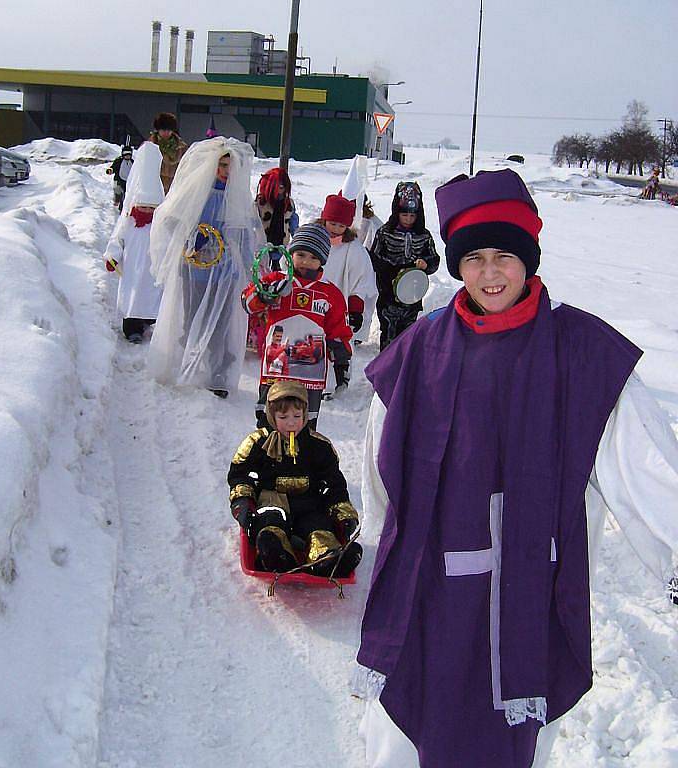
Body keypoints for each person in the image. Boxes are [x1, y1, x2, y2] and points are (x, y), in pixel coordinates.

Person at [352, 168, 678, 768]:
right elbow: (381, 464)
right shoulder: (422, 352)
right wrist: (385, 546)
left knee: (517, 739)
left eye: (505, 254)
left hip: (532, 594)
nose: (490, 273)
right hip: (431, 594)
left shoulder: (580, 352)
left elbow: (647, 467)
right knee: (401, 741)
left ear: (530, 257)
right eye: (473, 258)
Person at [148, 136, 264, 397]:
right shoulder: (199, 193)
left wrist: (250, 271)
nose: (227, 171)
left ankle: (218, 371)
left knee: (221, 322)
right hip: (196, 270)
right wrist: (193, 236)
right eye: (222, 165)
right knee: (191, 318)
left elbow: (246, 238)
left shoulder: (238, 199)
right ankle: (188, 361)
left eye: (230, 165)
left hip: (225, 272)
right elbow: (171, 220)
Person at [227, 380, 362, 577]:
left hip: (308, 502)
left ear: (305, 415)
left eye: (297, 416)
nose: (291, 423)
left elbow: (333, 482)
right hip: (271, 501)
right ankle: (276, 555)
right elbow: (240, 474)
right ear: (272, 416)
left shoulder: (318, 446)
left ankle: (327, 559)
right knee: (270, 523)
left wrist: (343, 514)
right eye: (283, 417)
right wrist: (243, 502)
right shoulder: (257, 443)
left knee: (318, 526)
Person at [241, 223, 353, 429]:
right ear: (290, 254)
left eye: (313, 258)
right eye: (300, 254)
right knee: (270, 421)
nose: (305, 262)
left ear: (322, 261)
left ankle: (302, 460)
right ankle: (266, 457)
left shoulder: (330, 293)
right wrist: (265, 295)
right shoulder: (277, 281)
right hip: (276, 368)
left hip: (310, 373)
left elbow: (338, 330)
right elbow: (248, 303)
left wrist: (342, 361)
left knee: (305, 425)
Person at [103, 141, 165, 343]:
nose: (147, 212)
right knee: (133, 297)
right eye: (144, 207)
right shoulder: (128, 222)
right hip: (132, 268)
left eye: (151, 209)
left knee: (152, 294)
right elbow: (117, 240)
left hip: (152, 268)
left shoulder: (161, 225)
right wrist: (112, 256)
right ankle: (131, 327)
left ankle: (148, 320)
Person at [369, 182, 440, 349]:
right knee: (388, 335)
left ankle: (404, 370)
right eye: (404, 215)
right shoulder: (385, 232)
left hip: (412, 297)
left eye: (412, 216)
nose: (408, 219)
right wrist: (392, 270)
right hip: (388, 296)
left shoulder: (423, 235)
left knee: (407, 337)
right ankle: (386, 370)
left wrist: (426, 264)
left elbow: (434, 259)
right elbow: (374, 258)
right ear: (396, 212)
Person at [318, 193, 377, 355]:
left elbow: (363, 280)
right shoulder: (313, 238)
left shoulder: (354, 249)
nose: (336, 230)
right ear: (324, 220)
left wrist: (356, 308)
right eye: (333, 223)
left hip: (338, 310)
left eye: (341, 226)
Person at [256, 167, 300, 247]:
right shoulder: (261, 204)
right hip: (262, 246)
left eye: (282, 187)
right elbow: (252, 222)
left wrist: (298, 239)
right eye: (278, 187)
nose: (280, 190)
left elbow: (293, 224)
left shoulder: (288, 204)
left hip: (281, 245)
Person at [150, 112, 189, 195]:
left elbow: (186, 168)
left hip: (174, 190)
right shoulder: (150, 146)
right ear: (158, 129)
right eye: (163, 130)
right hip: (154, 190)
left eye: (169, 130)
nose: (166, 133)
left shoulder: (182, 147)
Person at [105, 144, 133, 211]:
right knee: (118, 190)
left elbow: (136, 170)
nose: (127, 156)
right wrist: (110, 170)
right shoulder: (119, 161)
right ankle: (117, 199)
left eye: (129, 155)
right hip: (119, 180)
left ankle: (123, 207)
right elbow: (113, 167)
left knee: (127, 194)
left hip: (128, 181)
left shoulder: (132, 162)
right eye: (126, 155)